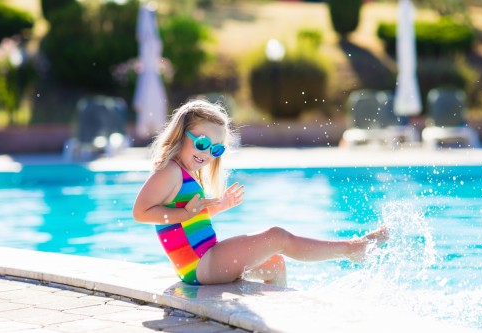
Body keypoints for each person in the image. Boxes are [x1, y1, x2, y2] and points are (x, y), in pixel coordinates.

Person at [133, 99, 389, 287]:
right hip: (200, 265)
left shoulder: (184, 173)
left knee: (275, 264)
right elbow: (141, 213)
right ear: (181, 134)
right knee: (276, 236)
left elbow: (189, 220)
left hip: (205, 260)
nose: (207, 153)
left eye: (216, 150)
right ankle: (350, 249)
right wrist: (185, 212)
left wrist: (217, 206)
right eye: (202, 143)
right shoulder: (170, 171)